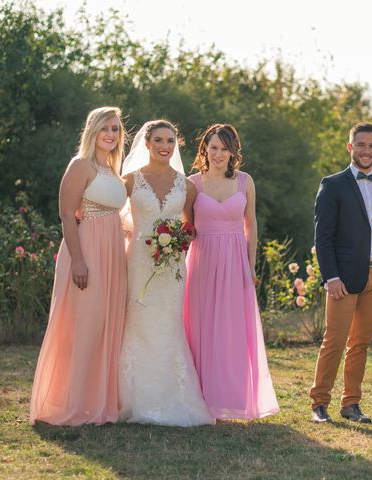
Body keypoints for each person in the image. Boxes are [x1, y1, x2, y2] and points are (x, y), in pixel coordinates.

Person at [30, 106, 128, 425]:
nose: (111, 135)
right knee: (83, 323)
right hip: (86, 250)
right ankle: (72, 402)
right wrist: (79, 260)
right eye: (105, 129)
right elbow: (66, 215)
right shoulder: (81, 165)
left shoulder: (112, 169)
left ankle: (98, 401)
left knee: (105, 324)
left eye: (115, 129)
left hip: (113, 251)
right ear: (93, 131)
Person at [118, 120, 213, 427]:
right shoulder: (130, 181)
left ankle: (170, 397)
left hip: (172, 267)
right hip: (139, 262)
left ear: (176, 144)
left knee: (168, 325)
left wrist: (176, 241)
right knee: (138, 324)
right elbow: (114, 218)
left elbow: (191, 227)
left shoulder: (186, 187)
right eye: (158, 140)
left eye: (170, 140)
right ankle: (133, 399)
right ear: (146, 143)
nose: (164, 146)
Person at [183, 123, 279, 420]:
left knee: (231, 330)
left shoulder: (244, 181)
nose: (219, 153)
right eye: (213, 147)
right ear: (204, 149)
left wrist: (249, 265)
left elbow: (251, 225)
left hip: (236, 258)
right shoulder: (192, 183)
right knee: (200, 326)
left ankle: (230, 398)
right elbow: (187, 225)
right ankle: (201, 400)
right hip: (202, 259)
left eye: (225, 148)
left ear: (233, 152)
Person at [309, 122, 372, 424]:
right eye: (361, 145)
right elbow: (323, 236)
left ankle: (351, 403)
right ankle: (319, 403)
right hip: (343, 279)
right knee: (334, 339)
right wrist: (330, 276)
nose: (366, 151)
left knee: (360, 343)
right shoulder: (333, 184)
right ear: (350, 147)